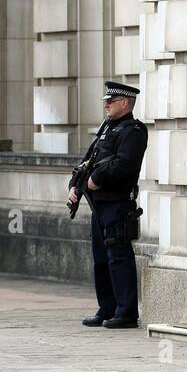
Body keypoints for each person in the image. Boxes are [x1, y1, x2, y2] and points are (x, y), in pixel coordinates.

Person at [69, 81, 147, 329]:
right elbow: (87, 160)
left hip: (117, 203)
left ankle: (126, 312)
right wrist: (75, 184)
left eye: (110, 101)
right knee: (101, 258)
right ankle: (107, 308)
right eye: (105, 101)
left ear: (124, 103)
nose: (106, 105)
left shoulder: (133, 131)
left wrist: (97, 178)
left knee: (118, 257)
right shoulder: (107, 128)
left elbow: (125, 164)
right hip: (98, 205)